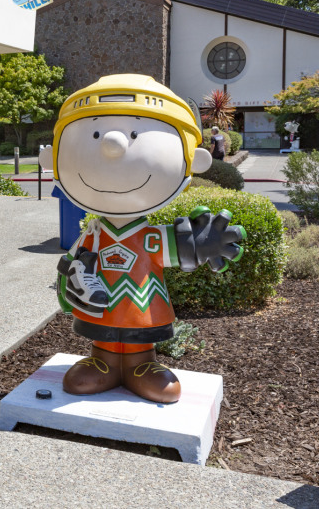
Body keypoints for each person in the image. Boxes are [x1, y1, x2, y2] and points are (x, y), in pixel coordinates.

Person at [39, 74, 244, 403]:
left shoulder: (148, 237)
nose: (113, 143)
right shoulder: (93, 234)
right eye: (94, 134)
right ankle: (102, 361)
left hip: (143, 305)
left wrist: (204, 242)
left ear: (193, 160)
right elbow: (72, 265)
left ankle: (140, 365)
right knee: (101, 337)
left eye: (136, 135)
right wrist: (70, 279)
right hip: (100, 307)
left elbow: (175, 246)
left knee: (138, 339)